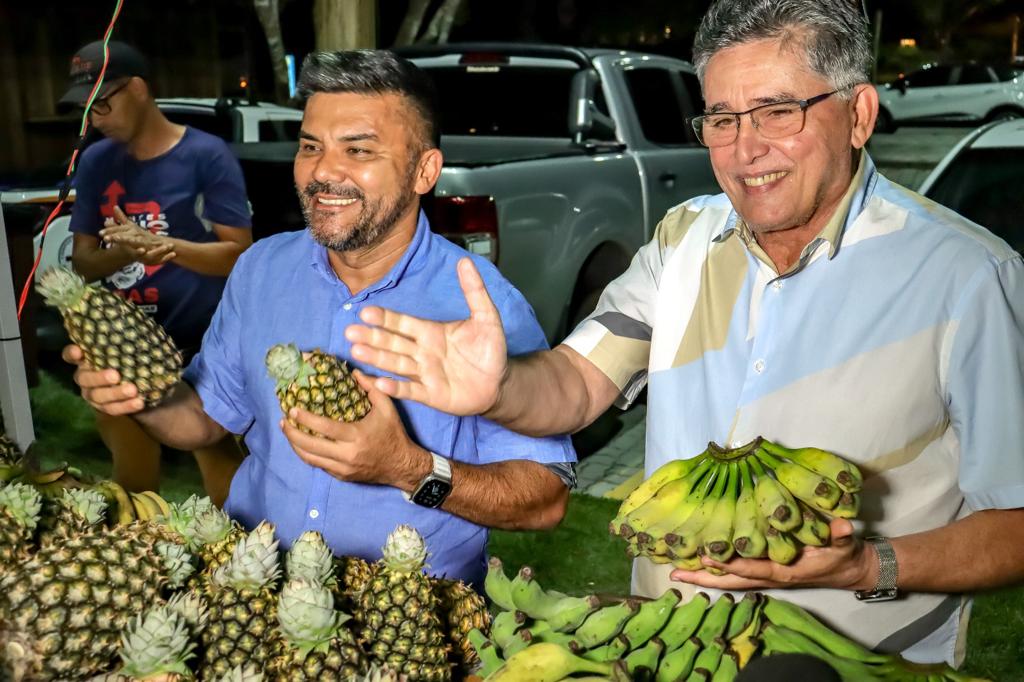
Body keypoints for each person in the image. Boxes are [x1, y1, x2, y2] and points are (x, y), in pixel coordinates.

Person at [343, 0, 1024, 667]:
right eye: (721, 118)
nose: (745, 150)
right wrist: (500, 388)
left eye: (778, 112)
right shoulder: (684, 239)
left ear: (860, 114)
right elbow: (578, 383)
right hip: (668, 651)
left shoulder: (968, 278)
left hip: (854, 663)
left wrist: (866, 565)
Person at [64, 49, 575, 585]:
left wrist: (408, 468)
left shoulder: (482, 306)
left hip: (412, 623)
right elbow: (206, 417)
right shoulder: (261, 269)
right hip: (257, 594)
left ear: (424, 171)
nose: (324, 170)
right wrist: (145, 395)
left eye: (358, 150)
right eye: (311, 146)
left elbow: (545, 499)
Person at [60, 40, 253, 506]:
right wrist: (127, 254)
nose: (97, 117)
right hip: (123, 346)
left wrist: (164, 248)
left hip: (202, 342)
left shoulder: (206, 155)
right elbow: (84, 261)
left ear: (140, 89)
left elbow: (239, 254)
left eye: (103, 102)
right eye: (88, 109)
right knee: (132, 485)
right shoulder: (95, 162)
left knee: (226, 477)